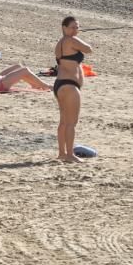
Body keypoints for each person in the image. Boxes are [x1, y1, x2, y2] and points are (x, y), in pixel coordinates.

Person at [53, 16, 93, 162]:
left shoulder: (60, 43)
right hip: (69, 85)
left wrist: (75, 33)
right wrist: (77, 35)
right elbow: (89, 49)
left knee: (63, 121)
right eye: (72, 27)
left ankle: (62, 153)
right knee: (71, 123)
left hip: (60, 84)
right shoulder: (71, 40)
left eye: (77, 27)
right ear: (64, 28)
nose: (75, 29)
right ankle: (70, 155)